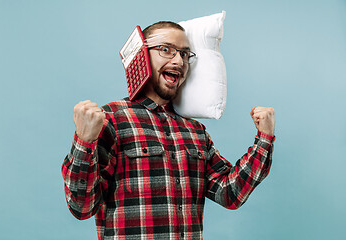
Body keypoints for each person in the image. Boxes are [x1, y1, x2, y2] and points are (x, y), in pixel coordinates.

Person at [61, 21, 275, 240]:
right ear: (141, 55)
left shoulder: (195, 131)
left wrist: (264, 140)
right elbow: (82, 207)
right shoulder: (112, 120)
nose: (178, 61)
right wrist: (85, 142)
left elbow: (230, 193)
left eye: (184, 54)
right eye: (166, 50)